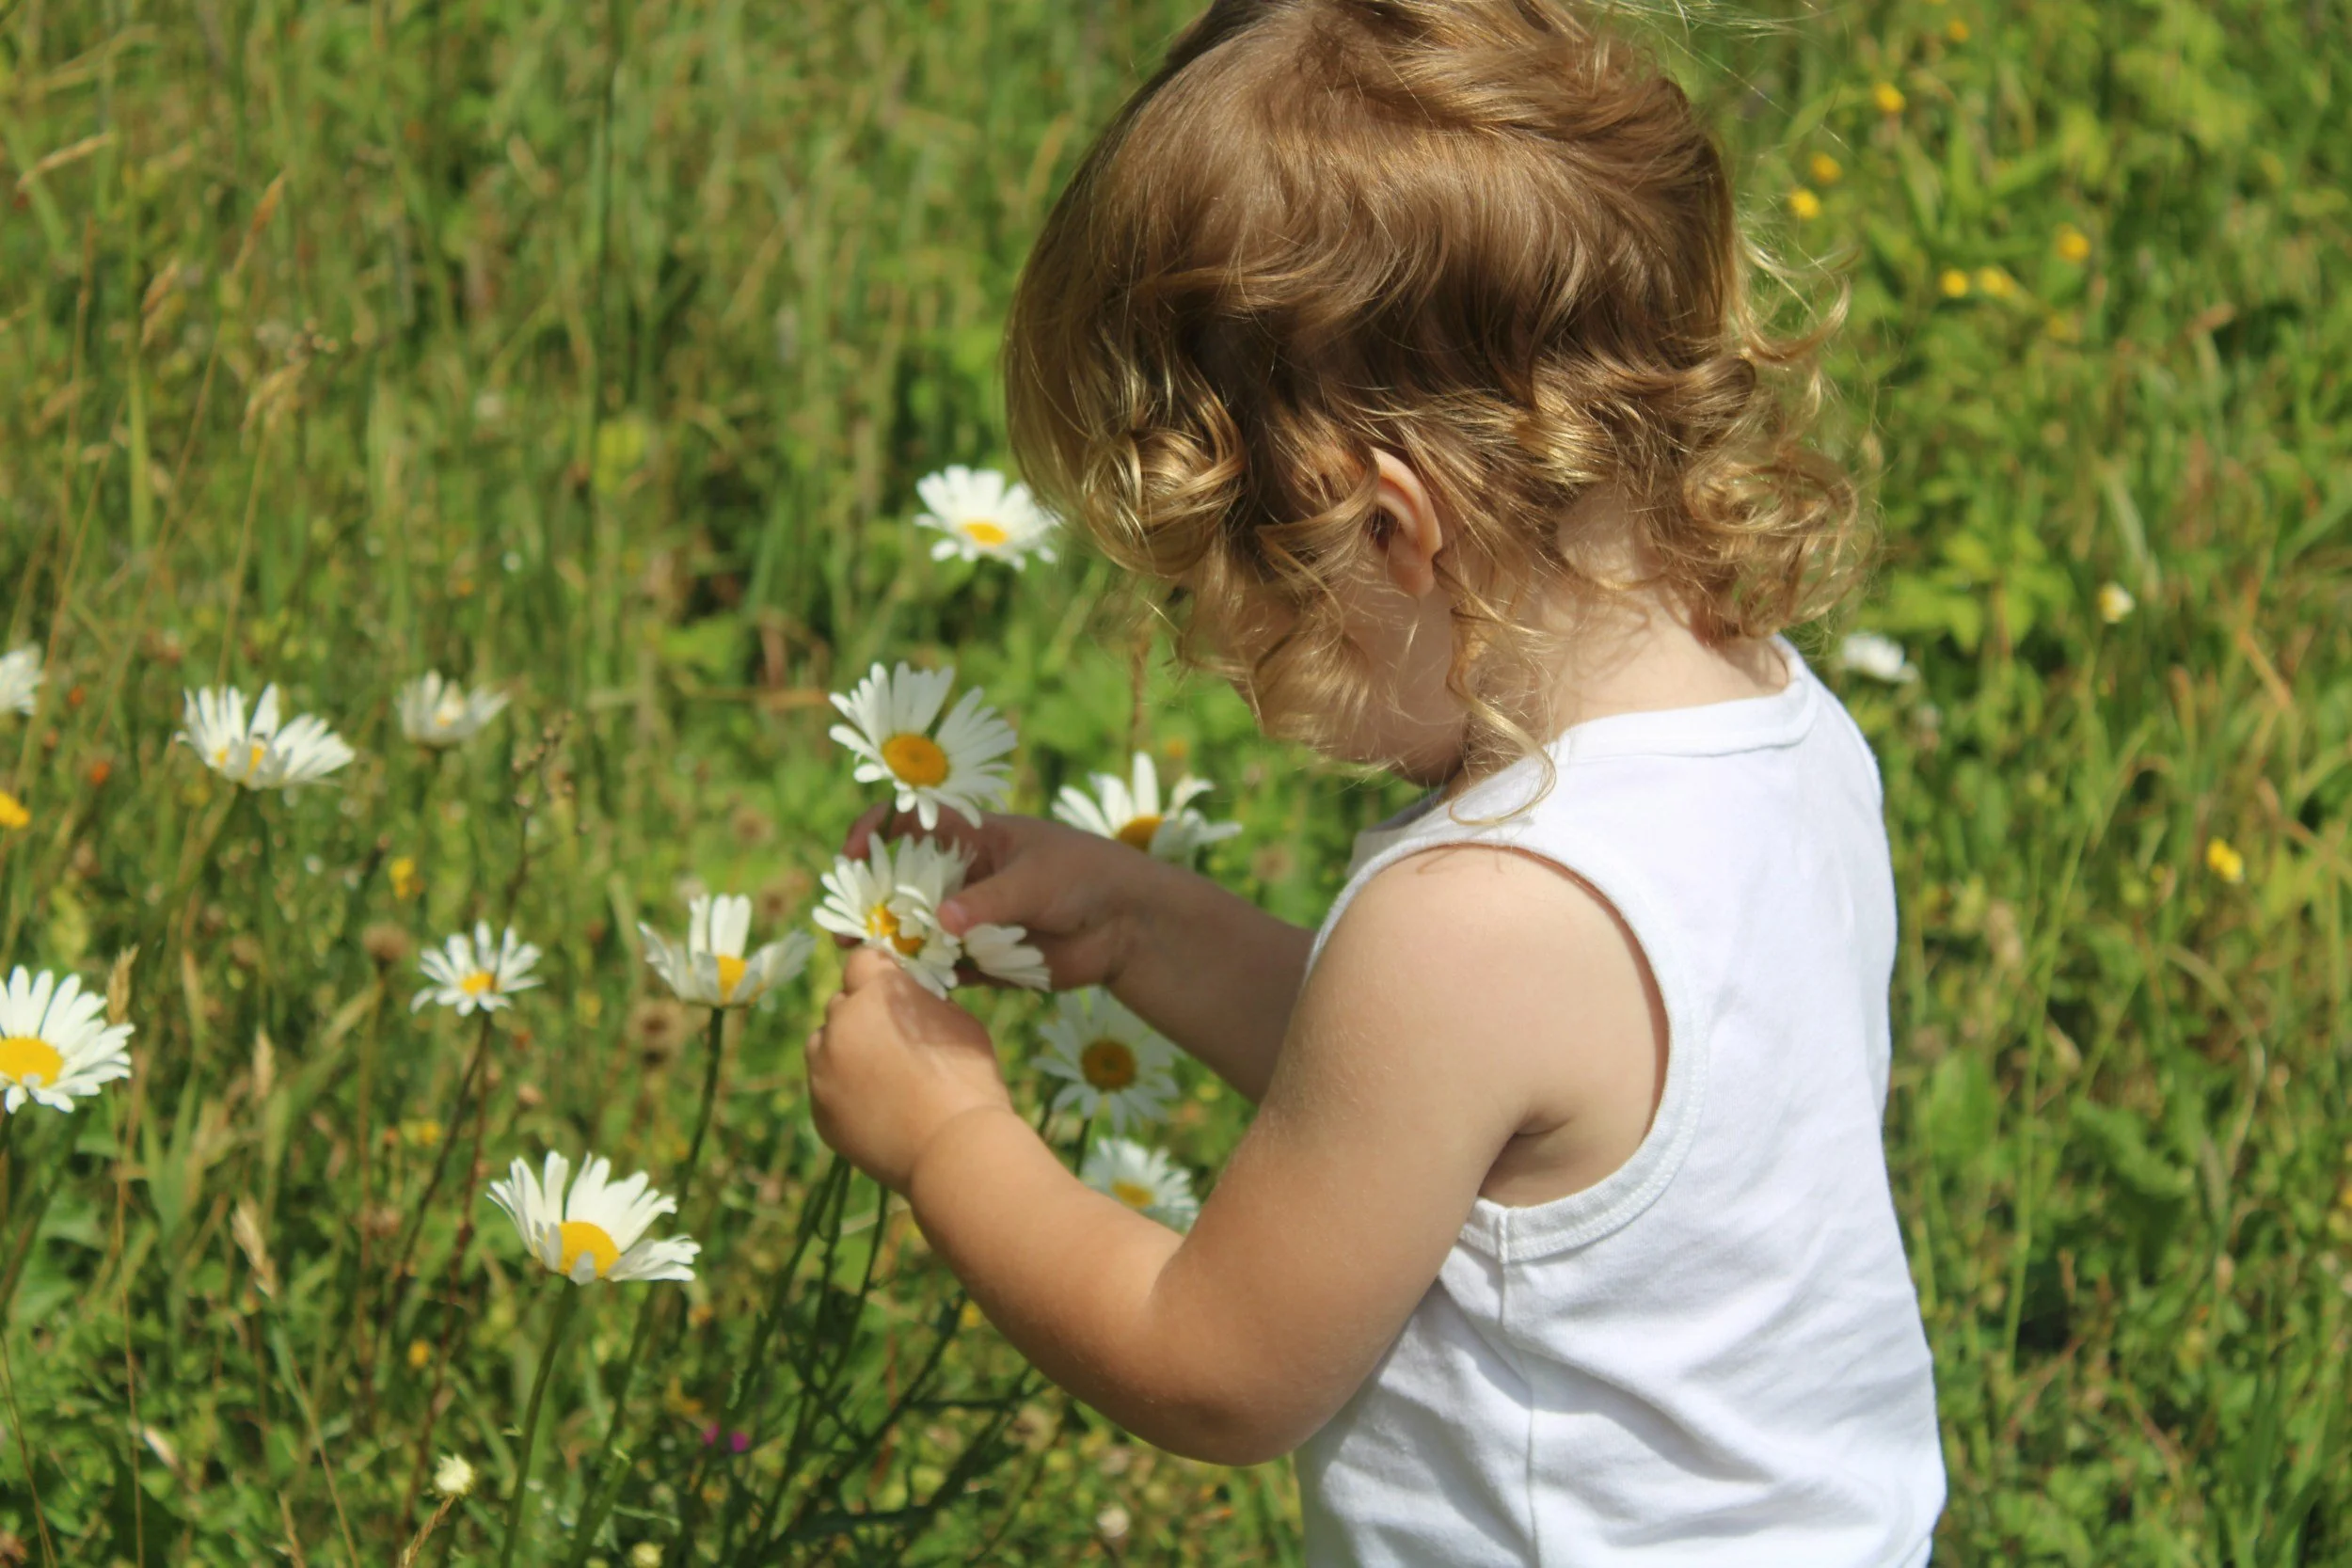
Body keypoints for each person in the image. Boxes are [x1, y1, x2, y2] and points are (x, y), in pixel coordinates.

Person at [806, 0, 1946, 1560]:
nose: (1214, 657)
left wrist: (946, 1136)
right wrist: (1143, 926)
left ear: (1389, 533)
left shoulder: (1478, 922)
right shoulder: (1777, 726)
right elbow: (1441, 1122)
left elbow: (1213, 1367)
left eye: (1216, 598)